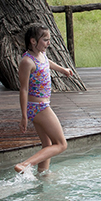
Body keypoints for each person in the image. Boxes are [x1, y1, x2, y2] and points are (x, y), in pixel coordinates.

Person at [15, 24, 73, 174]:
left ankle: (42, 175)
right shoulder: (27, 62)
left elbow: (47, 63)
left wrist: (63, 70)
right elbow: (23, 89)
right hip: (38, 107)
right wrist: (24, 116)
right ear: (33, 41)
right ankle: (25, 164)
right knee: (61, 144)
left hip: (41, 105)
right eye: (45, 40)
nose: (49, 43)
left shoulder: (41, 55)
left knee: (47, 144)